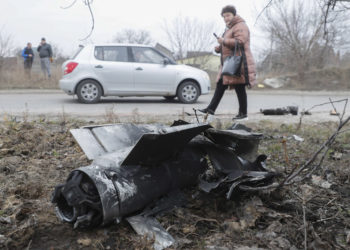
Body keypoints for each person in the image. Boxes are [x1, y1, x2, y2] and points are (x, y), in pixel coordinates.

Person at [198, 5, 256, 120]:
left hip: (239, 63)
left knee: (239, 87)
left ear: (234, 15)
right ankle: (211, 109)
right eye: (224, 16)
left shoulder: (240, 26)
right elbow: (228, 44)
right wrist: (219, 47)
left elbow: (240, 42)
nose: (226, 18)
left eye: (228, 15)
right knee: (220, 84)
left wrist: (223, 41)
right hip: (229, 64)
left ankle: (243, 114)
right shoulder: (229, 28)